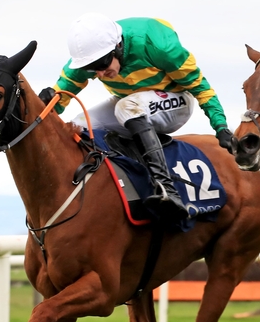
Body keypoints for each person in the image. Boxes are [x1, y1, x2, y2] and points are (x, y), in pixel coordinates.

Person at [40, 13, 234, 222]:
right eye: (92, 69)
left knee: (127, 106)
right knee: (79, 124)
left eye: (103, 64)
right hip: (132, 104)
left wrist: (220, 126)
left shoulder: (157, 44)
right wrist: (43, 105)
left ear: (118, 47)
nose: (100, 74)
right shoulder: (89, 56)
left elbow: (200, 88)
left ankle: (166, 188)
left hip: (177, 101)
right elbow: (57, 101)